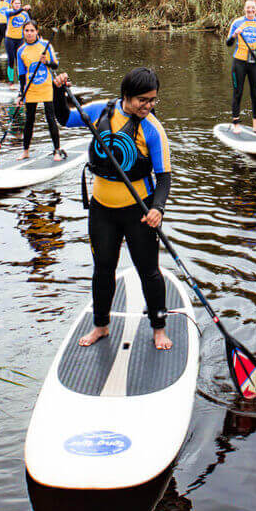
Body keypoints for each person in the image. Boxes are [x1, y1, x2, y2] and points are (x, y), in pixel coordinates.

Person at [56, 67, 173, 351]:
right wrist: (58, 92)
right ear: (126, 95)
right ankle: (101, 326)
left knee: (149, 272)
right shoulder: (100, 111)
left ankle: (158, 328)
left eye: (153, 100)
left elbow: (165, 177)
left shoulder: (152, 129)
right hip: (102, 211)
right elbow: (64, 118)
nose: (148, 106)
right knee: (103, 270)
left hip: (139, 213)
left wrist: (158, 208)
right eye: (142, 100)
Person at [14, 20, 66, 162]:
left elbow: (55, 65)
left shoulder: (45, 46)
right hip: (31, 89)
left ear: (37, 31)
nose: (29, 33)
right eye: (27, 31)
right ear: (23, 32)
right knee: (29, 120)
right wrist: (21, 94)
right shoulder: (21, 51)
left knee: (50, 118)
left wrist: (46, 62)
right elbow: (22, 75)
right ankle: (25, 151)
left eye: (32, 30)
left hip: (46, 87)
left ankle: (56, 151)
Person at [225, 0, 256, 133]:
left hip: (255, 63)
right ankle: (236, 124)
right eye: (248, 8)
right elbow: (228, 43)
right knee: (238, 92)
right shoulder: (237, 22)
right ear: (244, 9)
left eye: (253, 8)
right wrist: (235, 34)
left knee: (255, 94)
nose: (250, 10)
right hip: (239, 62)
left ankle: (255, 126)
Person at [3, 0, 32, 86]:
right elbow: (14, 14)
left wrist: (29, 11)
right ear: (12, 4)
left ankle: (21, 81)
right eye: (16, 3)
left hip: (20, 40)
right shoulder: (8, 11)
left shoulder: (24, 14)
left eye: (19, 3)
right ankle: (11, 82)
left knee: (20, 61)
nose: (17, 5)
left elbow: (29, 24)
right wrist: (23, 8)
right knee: (11, 60)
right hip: (9, 39)